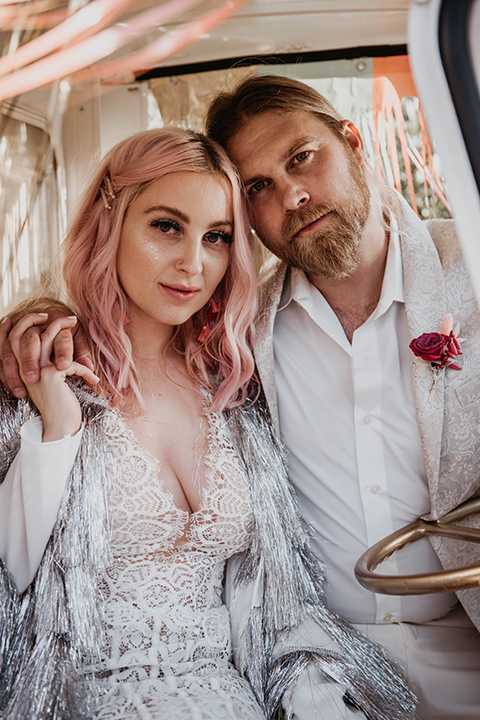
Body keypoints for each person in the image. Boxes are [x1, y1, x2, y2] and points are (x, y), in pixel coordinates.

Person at [0, 127, 416, 720]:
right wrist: (59, 427)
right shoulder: (32, 373)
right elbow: (12, 591)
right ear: (108, 223)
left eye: (217, 237)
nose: (193, 264)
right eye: (166, 226)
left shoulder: (235, 392)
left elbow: (274, 602)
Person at [203, 74, 480, 720]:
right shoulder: (241, 333)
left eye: (302, 158)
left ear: (353, 143)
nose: (292, 195)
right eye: (258, 188)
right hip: (326, 671)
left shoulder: (469, 272)